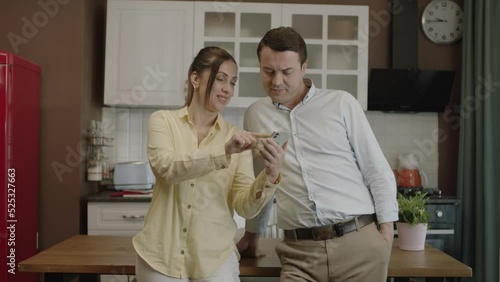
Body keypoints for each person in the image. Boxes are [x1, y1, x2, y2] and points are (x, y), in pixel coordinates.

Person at [236, 27, 399, 282]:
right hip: (298, 253)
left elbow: (376, 169)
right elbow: (265, 180)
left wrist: (386, 235)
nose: (276, 81)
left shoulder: (341, 103)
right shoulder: (255, 114)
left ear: (303, 67)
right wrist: (252, 235)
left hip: (359, 245)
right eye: (268, 71)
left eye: (286, 72)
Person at [133, 46, 286, 282]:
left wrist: (270, 175)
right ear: (195, 78)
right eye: (220, 79)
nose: (227, 89)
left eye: (233, 82)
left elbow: (244, 207)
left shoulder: (237, 137)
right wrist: (223, 152)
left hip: (216, 260)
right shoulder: (163, 121)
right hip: (161, 258)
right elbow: (166, 169)